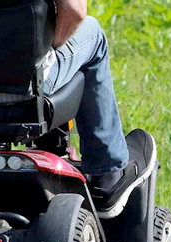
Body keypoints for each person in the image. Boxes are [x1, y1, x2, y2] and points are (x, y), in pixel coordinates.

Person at [44, 0, 154, 218]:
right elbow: (74, 10)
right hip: (23, 79)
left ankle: (50, 148)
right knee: (92, 34)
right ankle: (107, 170)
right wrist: (52, 47)